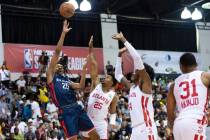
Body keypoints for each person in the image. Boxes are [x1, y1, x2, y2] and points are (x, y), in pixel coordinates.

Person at [46, 20, 99, 140]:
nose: (58, 65)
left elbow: (80, 86)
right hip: (65, 112)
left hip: (77, 108)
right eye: (57, 64)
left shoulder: (67, 80)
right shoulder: (51, 76)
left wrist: (84, 69)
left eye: (60, 64)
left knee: (95, 136)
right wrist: (63, 33)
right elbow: (57, 52)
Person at [113, 32, 158, 140]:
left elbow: (137, 59)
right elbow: (117, 75)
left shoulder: (146, 86)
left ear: (142, 74)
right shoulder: (132, 87)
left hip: (146, 127)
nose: (133, 72)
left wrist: (124, 40)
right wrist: (119, 55)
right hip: (135, 130)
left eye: (136, 71)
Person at [167, 53, 210, 140]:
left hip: (178, 124)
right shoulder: (205, 76)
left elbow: (170, 114)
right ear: (196, 64)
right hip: (196, 121)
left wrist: (171, 128)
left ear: (181, 66)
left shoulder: (174, 85)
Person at [82, 36, 118, 140]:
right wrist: (90, 48)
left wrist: (112, 122)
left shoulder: (113, 96)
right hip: (88, 120)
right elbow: (93, 65)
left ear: (112, 83)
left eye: (107, 77)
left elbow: (113, 111)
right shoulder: (97, 84)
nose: (104, 78)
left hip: (101, 123)